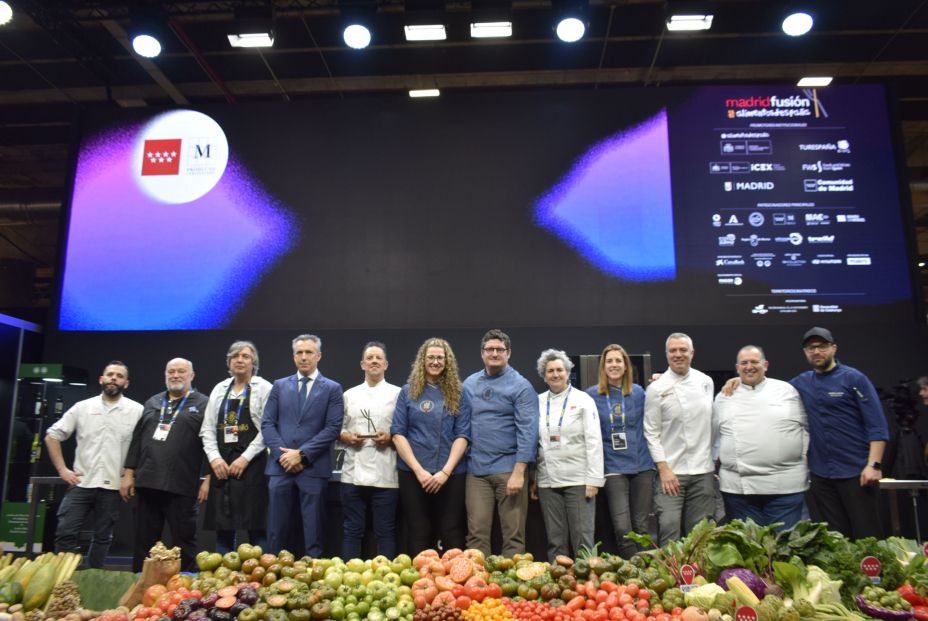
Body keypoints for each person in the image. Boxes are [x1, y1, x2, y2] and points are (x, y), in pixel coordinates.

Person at [790, 327, 888, 538]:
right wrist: (737, 381)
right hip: (821, 475)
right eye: (811, 348)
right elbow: (772, 389)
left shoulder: (854, 379)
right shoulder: (801, 382)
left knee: (868, 536)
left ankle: (873, 572)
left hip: (858, 472)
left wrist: (874, 465)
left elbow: (877, 425)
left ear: (833, 348)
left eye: (822, 346)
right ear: (806, 352)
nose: (816, 351)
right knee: (835, 538)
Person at [45, 361, 144, 568]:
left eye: (119, 376)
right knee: (65, 533)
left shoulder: (137, 411)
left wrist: (129, 475)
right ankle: (67, 578)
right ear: (102, 379)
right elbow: (52, 436)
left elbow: (141, 448)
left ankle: (92, 578)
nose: (113, 378)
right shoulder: (83, 407)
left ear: (126, 383)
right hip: (81, 483)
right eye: (110, 374)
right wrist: (62, 469)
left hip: (112, 487)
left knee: (102, 538)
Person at [121, 358, 210, 571]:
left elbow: (211, 443)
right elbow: (137, 439)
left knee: (185, 541)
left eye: (181, 371)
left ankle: (187, 590)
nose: (176, 375)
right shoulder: (152, 402)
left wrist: (208, 478)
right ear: (165, 375)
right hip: (147, 481)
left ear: (192, 375)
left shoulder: (203, 404)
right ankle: (139, 586)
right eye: (171, 371)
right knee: (144, 542)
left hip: (182, 484)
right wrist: (128, 473)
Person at [261, 334, 344, 556]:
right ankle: (273, 582)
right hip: (280, 468)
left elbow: (333, 429)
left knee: (313, 534)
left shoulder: (332, 388)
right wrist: (283, 457)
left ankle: (313, 582)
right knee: (276, 532)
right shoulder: (279, 386)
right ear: (294, 356)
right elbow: (267, 423)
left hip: (313, 468)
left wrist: (302, 455)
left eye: (309, 352)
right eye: (299, 352)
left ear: (319, 355)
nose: (304, 357)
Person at [712, 346, 808, 529]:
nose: (749, 367)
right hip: (739, 491)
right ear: (737, 367)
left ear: (766, 365)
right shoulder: (724, 396)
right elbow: (714, 437)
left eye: (754, 362)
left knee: (784, 550)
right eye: (744, 363)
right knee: (749, 552)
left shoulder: (788, 391)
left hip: (785, 489)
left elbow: (809, 428)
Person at [463, 329, 540, 557]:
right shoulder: (469, 384)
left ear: (509, 353)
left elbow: (528, 431)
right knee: (476, 535)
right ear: (482, 353)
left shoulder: (521, 386)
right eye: (490, 349)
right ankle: (476, 588)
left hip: (510, 471)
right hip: (476, 471)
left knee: (513, 536)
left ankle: (511, 589)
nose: (494, 353)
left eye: (500, 349)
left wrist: (519, 472)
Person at [392, 337, 471, 554]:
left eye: (440, 358)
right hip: (413, 473)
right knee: (419, 530)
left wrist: (445, 472)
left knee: (451, 530)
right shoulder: (408, 391)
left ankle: (456, 586)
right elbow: (398, 434)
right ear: (422, 361)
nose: (435, 362)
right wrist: (419, 471)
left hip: (451, 474)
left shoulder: (460, 392)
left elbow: (462, 435)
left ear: (447, 362)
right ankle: (419, 584)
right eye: (431, 357)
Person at [200, 341, 273, 553]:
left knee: (257, 529)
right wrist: (214, 458)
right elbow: (207, 429)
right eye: (235, 356)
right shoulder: (219, 388)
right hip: (222, 467)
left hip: (254, 467)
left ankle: (260, 581)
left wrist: (245, 458)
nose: (240, 360)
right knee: (223, 530)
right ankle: (222, 580)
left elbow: (267, 429)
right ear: (229, 362)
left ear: (253, 363)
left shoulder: (265, 388)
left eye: (245, 356)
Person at [532, 349, 603, 562]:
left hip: (579, 479)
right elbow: (534, 444)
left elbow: (594, 441)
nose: (555, 374)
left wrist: (594, 479)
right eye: (550, 371)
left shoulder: (583, 399)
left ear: (568, 372)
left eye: (559, 370)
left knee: (582, 539)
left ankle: (588, 590)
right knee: (555, 540)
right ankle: (559, 588)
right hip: (547, 480)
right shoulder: (536, 401)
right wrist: (534, 478)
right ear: (544, 376)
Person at [643, 333, 715, 545]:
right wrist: (664, 470)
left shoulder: (706, 382)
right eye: (673, 350)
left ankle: (700, 578)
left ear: (692, 353)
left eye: (683, 350)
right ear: (666, 354)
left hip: (703, 471)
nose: (678, 354)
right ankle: (671, 577)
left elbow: (713, 423)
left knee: (700, 536)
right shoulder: (656, 388)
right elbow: (651, 432)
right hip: (671, 473)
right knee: (669, 530)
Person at [586, 344, 654, 558]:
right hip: (613, 468)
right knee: (623, 529)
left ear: (626, 366)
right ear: (603, 367)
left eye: (618, 361)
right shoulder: (591, 396)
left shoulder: (639, 393)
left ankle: (647, 574)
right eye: (609, 361)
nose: (614, 365)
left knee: (642, 527)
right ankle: (632, 573)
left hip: (642, 466)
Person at [339, 341, 402, 559]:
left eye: (378, 358)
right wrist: (346, 436)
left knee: (385, 532)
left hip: (386, 473)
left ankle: (388, 581)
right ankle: (347, 577)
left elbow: (405, 431)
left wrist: (391, 437)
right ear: (362, 365)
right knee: (352, 531)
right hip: (352, 473)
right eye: (370, 358)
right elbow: (338, 429)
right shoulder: (349, 395)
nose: (374, 361)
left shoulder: (398, 394)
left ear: (386, 364)